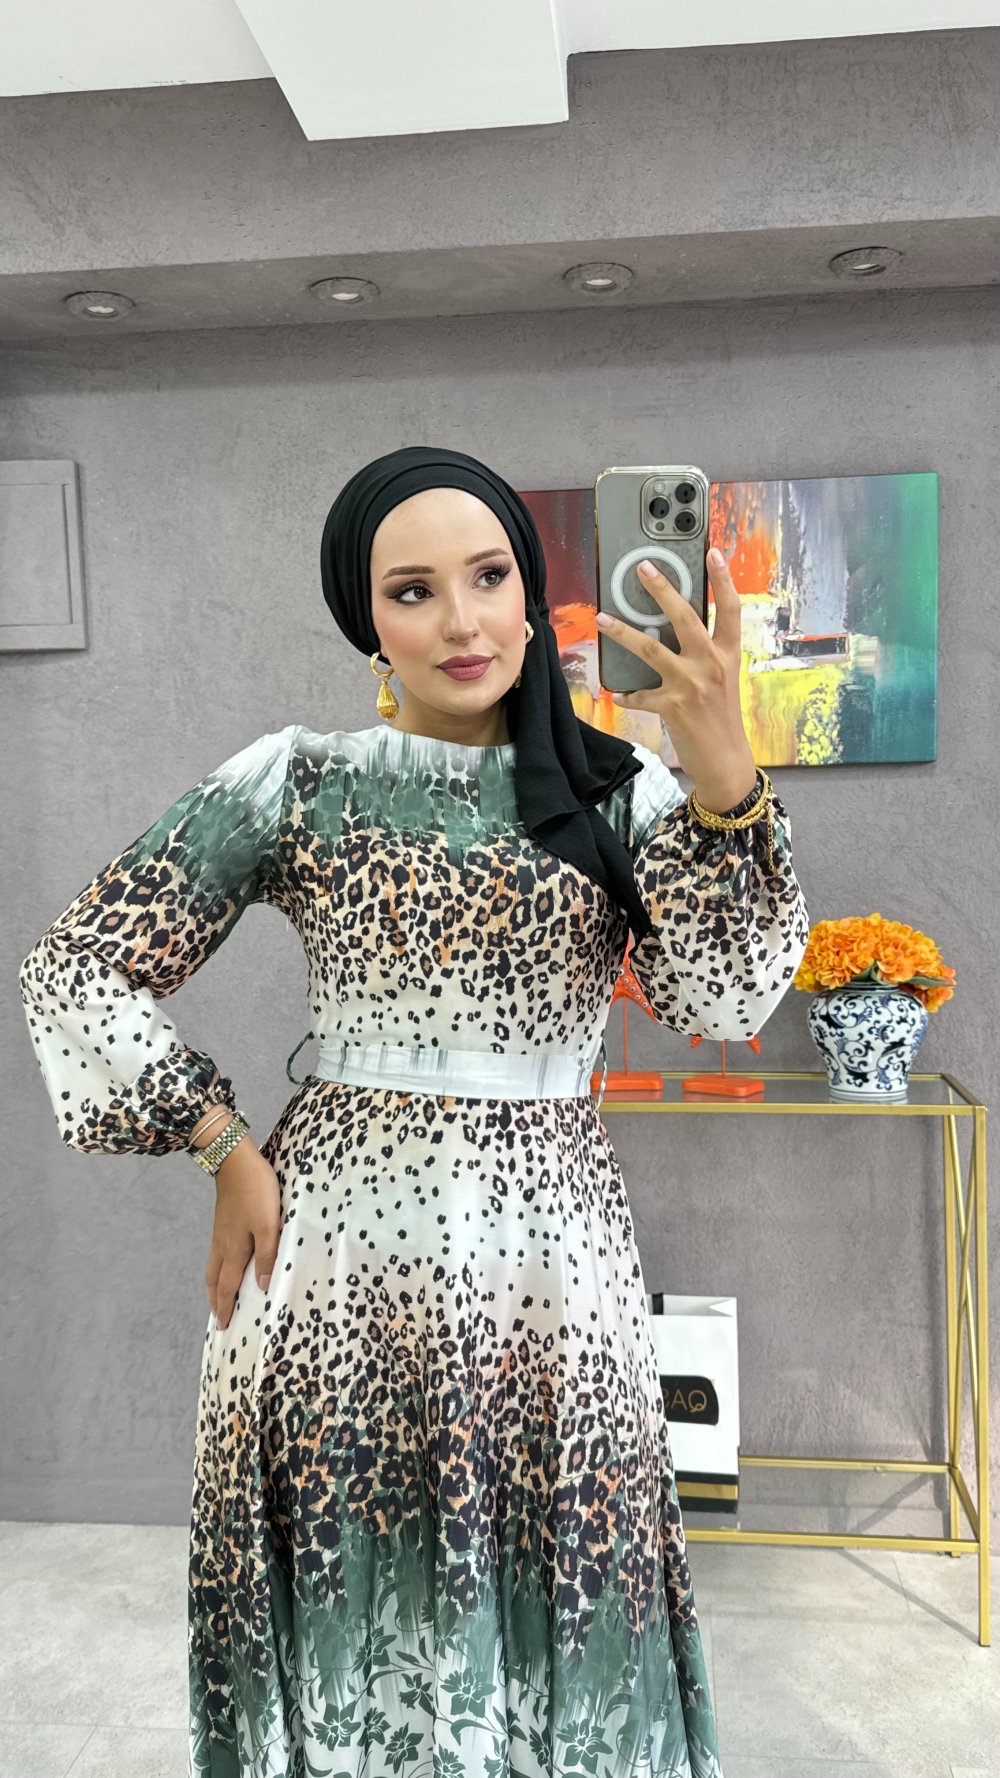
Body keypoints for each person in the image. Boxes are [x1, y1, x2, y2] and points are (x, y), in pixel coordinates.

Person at [19, 445, 810, 1778]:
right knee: (361, 1609)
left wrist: (726, 780)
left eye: (490, 576)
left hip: (551, 1274)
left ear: (530, 592)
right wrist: (219, 1143)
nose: (461, 619)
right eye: (413, 590)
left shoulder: (621, 790)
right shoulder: (301, 781)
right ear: (366, 619)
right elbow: (74, 967)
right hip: (330, 1272)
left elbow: (725, 994)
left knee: (567, 1589)